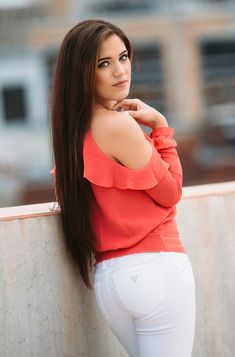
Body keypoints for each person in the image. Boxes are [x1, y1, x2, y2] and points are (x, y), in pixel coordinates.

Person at [51, 19, 196, 357]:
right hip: (156, 271)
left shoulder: (71, 134)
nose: (120, 71)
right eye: (104, 63)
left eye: (123, 57)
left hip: (110, 281)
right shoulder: (119, 126)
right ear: (82, 73)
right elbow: (171, 191)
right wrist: (161, 128)